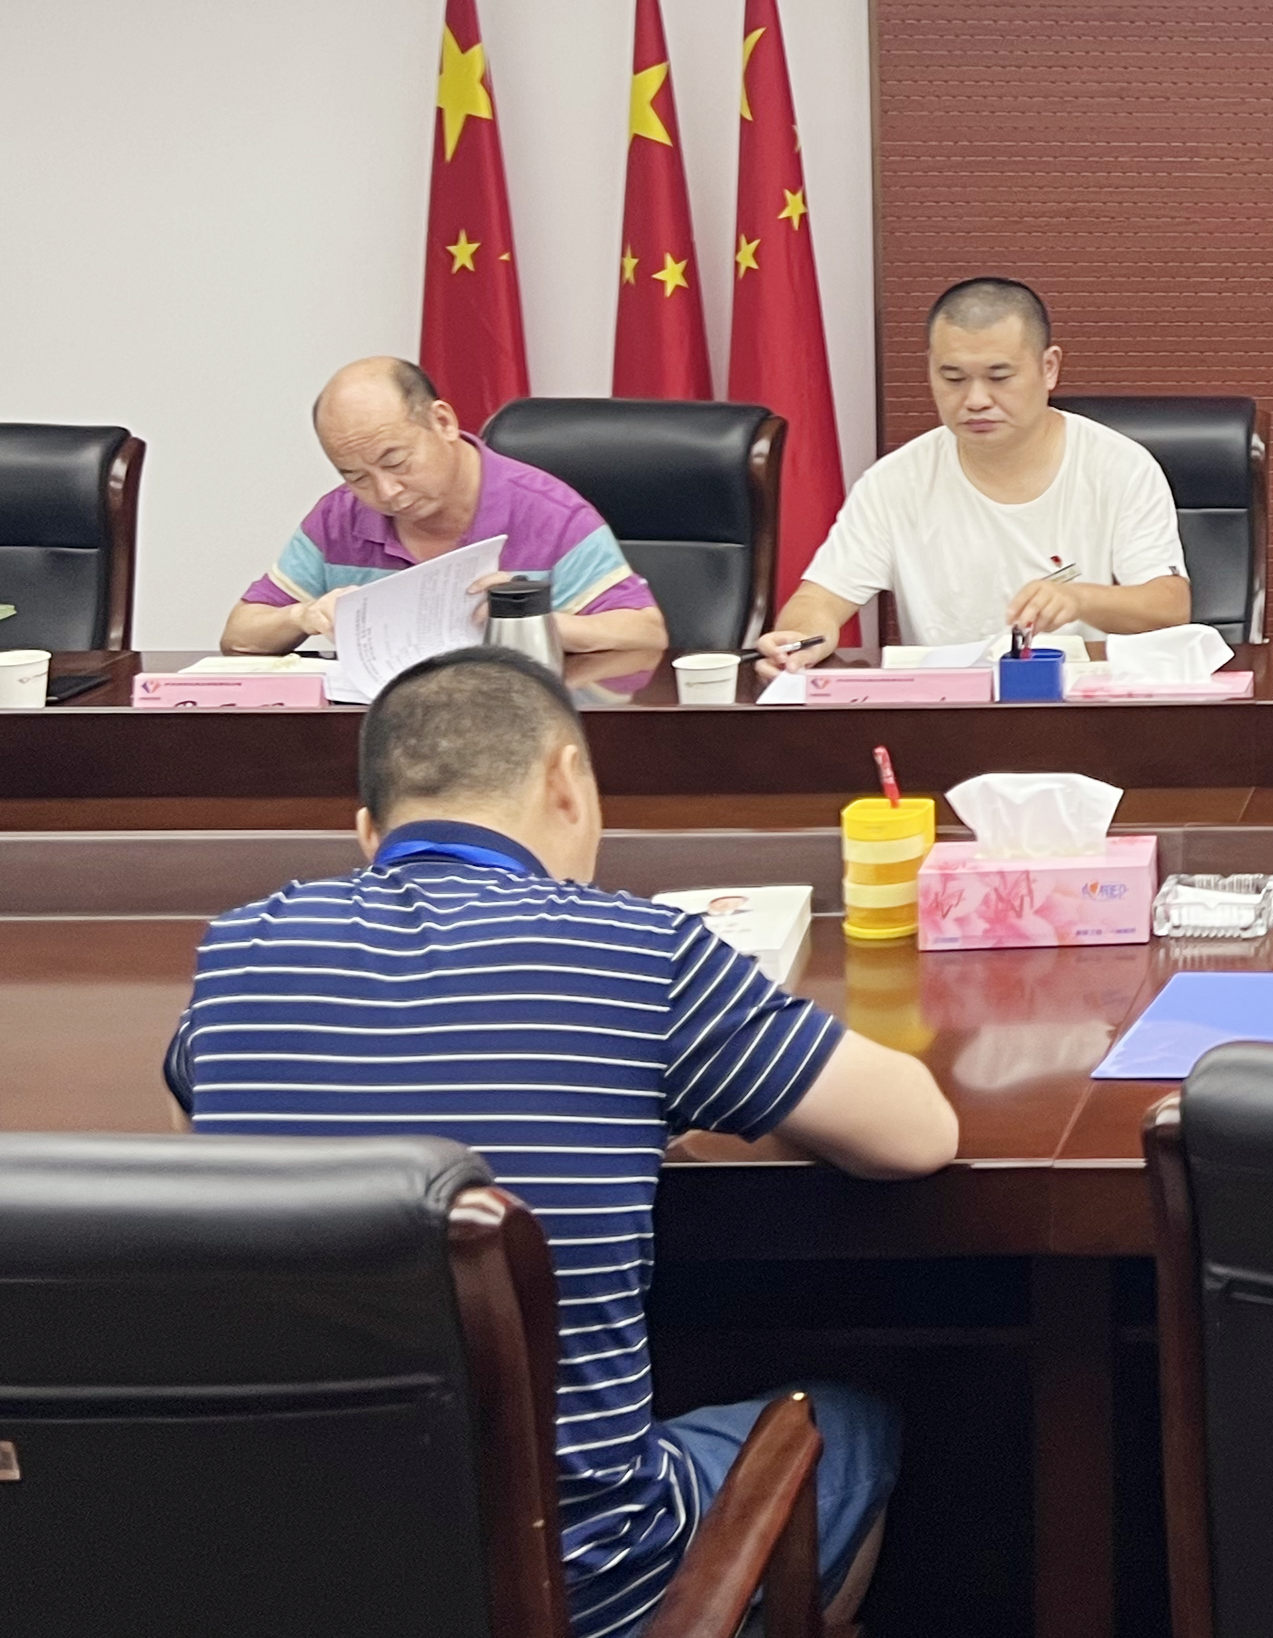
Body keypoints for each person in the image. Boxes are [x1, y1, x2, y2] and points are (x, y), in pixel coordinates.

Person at [166, 647, 960, 1637]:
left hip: (306, 1581)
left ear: (369, 834)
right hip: (588, 1590)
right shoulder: (640, 952)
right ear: (567, 781)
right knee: (851, 1421)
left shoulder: (238, 953)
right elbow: (916, 1134)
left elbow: (203, 1143)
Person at [758, 278, 1187, 672]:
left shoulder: (1119, 466)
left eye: (999, 377)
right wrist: (798, 640)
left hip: (1072, 705)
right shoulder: (895, 482)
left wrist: (1080, 599)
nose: (975, 399)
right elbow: (819, 599)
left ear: (1049, 368)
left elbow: (1170, 606)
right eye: (953, 378)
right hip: (944, 710)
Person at [223, 357, 669, 656]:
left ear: (442, 422)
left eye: (395, 462)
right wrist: (303, 615)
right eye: (356, 476)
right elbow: (239, 635)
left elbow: (646, 633)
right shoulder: (338, 517)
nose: (386, 492)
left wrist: (530, 621)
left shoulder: (546, 512)